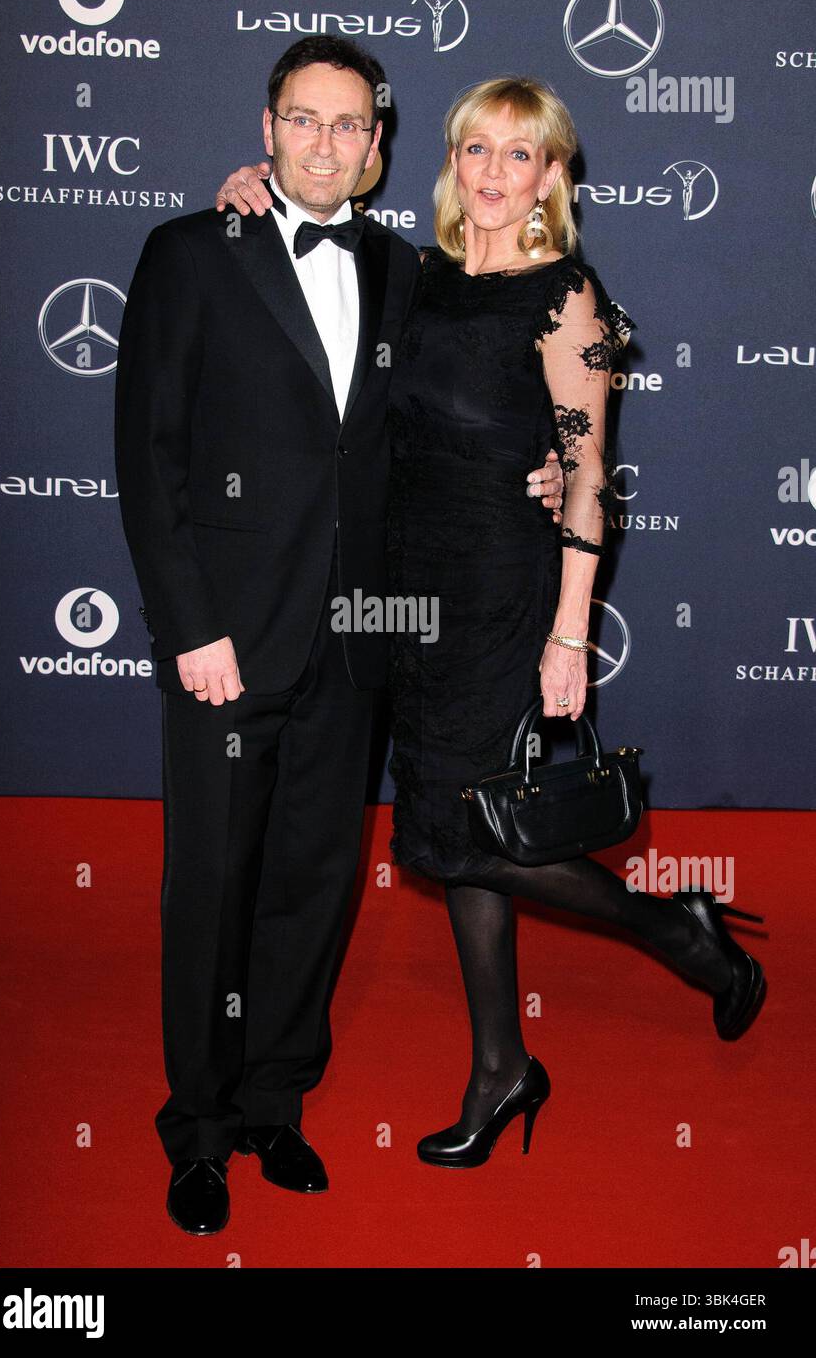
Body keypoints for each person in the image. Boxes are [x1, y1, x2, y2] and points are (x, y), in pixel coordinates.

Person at [216, 75, 767, 1171]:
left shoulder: (567, 298)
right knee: (443, 832)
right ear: (448, 160)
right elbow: (314, 259)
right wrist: (251, 187)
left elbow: (584, 469)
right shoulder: (413, 277)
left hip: (503, 597)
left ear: (552, 177)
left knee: (474, 831)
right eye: (477, 149)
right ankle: (500, 1066)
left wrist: (569, 635)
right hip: (405, 592)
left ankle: (681, 932)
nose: (493, 173)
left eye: (521, 156)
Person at [114, 38, 565, 1235]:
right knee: (213, 887)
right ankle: (199, 1129)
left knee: (314, 885)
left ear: (376, 147)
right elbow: (147, 461)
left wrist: (543, 468)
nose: (323, 142)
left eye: (347, 125)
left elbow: (488, 375)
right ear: (267, 130)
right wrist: (189, 627)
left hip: (362, 641)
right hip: (228, 641)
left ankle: (274, 1104)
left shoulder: (403, 268)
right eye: (301, 121)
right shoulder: (185, 254)